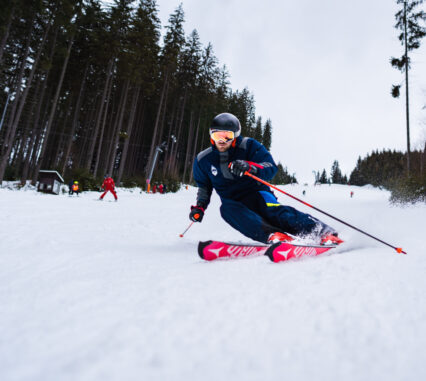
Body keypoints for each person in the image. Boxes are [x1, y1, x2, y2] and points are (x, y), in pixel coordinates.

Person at [190, 112, 343, 245]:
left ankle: (323, 233)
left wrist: (250, 167)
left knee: (275, 213)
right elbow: (204, 186)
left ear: (235, 137)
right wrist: (200, 207)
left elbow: (270, 166)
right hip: (235, 204)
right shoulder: (203, 160)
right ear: (211, 136)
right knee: (226, 210)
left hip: (259, 194)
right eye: (217, 136)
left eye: (227, 136)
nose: (222, 141)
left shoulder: (248, 146)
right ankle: (273, 236)